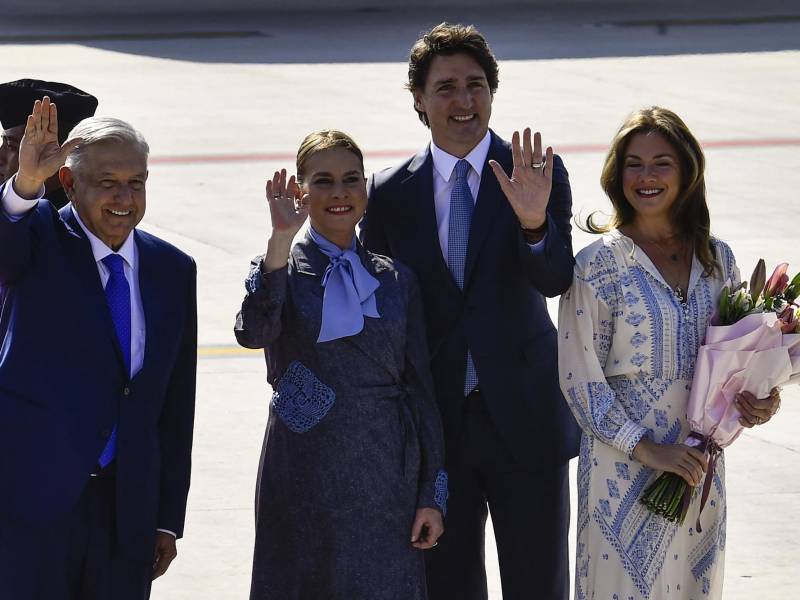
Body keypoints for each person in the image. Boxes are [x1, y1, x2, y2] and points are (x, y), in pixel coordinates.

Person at [360, 22, 579, 600]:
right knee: (448, 586)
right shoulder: (387, 194)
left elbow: (556, 279)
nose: (464, 101)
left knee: (540, 585)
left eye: (476, 85)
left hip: (525, 422)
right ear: (419, 101)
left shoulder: (536, 173)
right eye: (447, 87)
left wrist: (534, 224)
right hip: (437, 431)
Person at [557, 106, 782, 600]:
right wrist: (648, 449)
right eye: (634, 163)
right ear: (618, 175)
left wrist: (758, 404)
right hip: (623, 477)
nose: (647, 176)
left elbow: (741, 362)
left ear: (686, 171)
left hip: (700, 473)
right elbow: (581, 382)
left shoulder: (718, 259)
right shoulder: (598, 265)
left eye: (662, 162)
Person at [234, 129, 446, 600]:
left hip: (386, 467)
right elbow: (253, 333)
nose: (339, 192)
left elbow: (422, 389)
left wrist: (432, 493)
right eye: (323, 181)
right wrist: (280, 241)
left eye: (351, 179)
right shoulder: (278, 268)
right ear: (300, 191)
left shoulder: (395, 278)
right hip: (305, 462)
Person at [0, 97, 197, 600]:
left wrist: (167, 518)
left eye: (136, 182)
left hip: (125, 515)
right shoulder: (37, 239)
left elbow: (174, 407)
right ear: (68, 183)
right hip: (31, 510)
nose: (124, 197)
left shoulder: (173, 271)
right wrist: (24, 185)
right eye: (107, 182)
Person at [0, 78, 98, 208]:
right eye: (4, 143)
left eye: (12, 146)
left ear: (61, 156)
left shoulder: (69, 221)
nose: (1, 157)